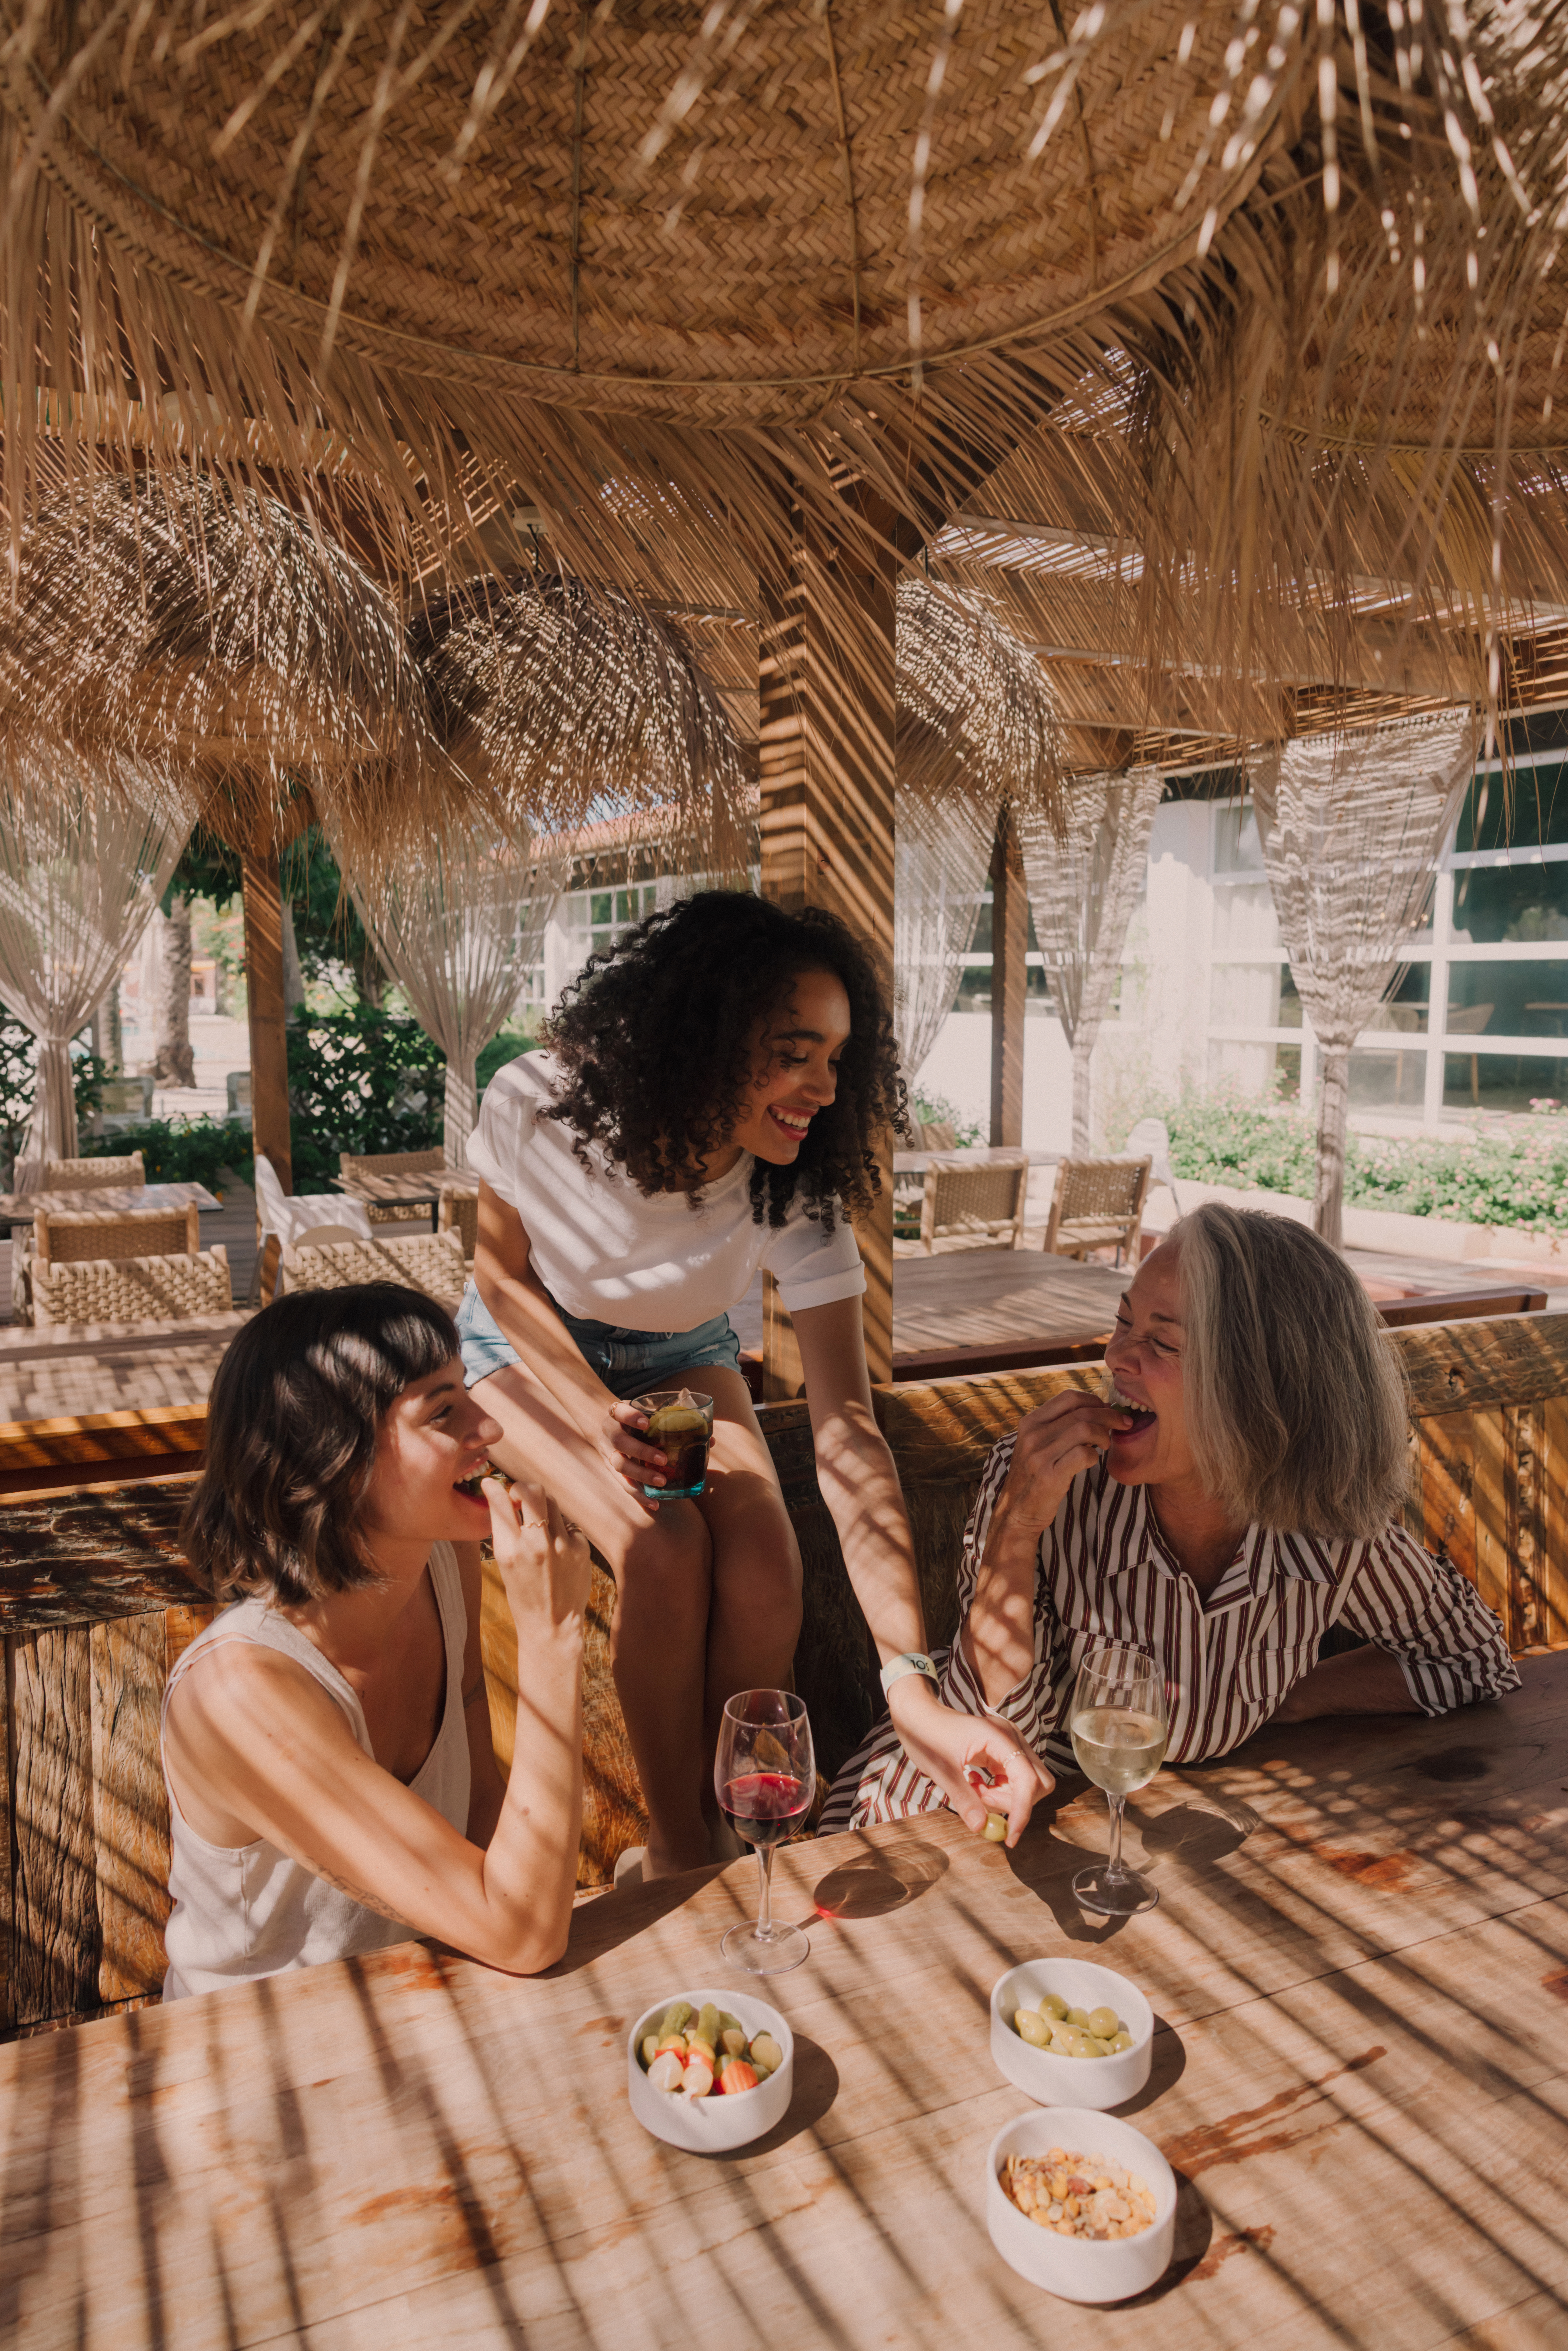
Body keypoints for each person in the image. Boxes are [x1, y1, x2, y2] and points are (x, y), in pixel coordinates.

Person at [460, 888, 1048, 1878]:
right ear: (708, 1032)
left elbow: (847, 1427)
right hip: (524, 1348)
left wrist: (909, 1681)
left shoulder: (796, 1183)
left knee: (769, 1575)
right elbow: (497, 1278)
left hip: (679, 1351)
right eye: (793, 1050)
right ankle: (680, 1851)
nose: (822, 1086)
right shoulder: (538, 1102)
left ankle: (733, 1813)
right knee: (661, 1545)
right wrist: (593, 1413)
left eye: (835, 1058)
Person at [822, 1203, 1520, 1831]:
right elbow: (994, 1746)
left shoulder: (1328, 1527)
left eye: (1162, 1342)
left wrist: (1275, 1699)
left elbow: (1470, 1659)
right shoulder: (1049, 1485)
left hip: (1128, 1839)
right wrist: (1016, 1528)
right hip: (926, 1818)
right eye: (1124, 1321)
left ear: (1257, 1390)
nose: (1116, 1357)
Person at [161, 1285, 590, 1997]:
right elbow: (524, 1933)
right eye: (444, 1409)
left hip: (429, 1995)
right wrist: (552, 1637)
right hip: (257, 2066)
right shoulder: (240, 1697)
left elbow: (483, 1807)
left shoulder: (442, 1565)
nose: (490, 1428)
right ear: (336, 1458)